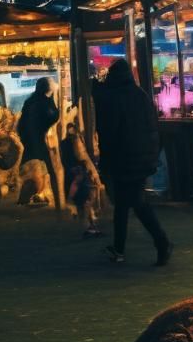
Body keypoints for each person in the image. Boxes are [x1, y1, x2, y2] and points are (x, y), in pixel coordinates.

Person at [94, 59, 172, 265]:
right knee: (123, 203)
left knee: (137, 203)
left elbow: (109, 132)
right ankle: (119, 248)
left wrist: (105, 160)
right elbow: (153, 127)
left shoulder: (114, 98)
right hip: (142, 157)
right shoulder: (141, 95)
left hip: (124, 158)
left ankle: (161, 241)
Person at [16, 77, 59, 207]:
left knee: (33, 170)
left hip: (30, 140)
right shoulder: (44, 102)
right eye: (53, 83)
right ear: (48, 88)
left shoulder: (30, 101)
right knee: (49, 170)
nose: (55, 85)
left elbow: (22, 123)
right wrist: (55, 104)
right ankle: (53, 197)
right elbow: (52, 117)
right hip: (39, 141)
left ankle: (29, 197)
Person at [60, 122, 102, 238]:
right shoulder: (71, 143)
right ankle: (88, 228)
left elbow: (70, 159)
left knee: (83, 204)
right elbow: (73, 159)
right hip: (77, 177)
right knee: (84, 203)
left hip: (77, 177)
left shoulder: (69, 143)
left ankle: (90, 227)